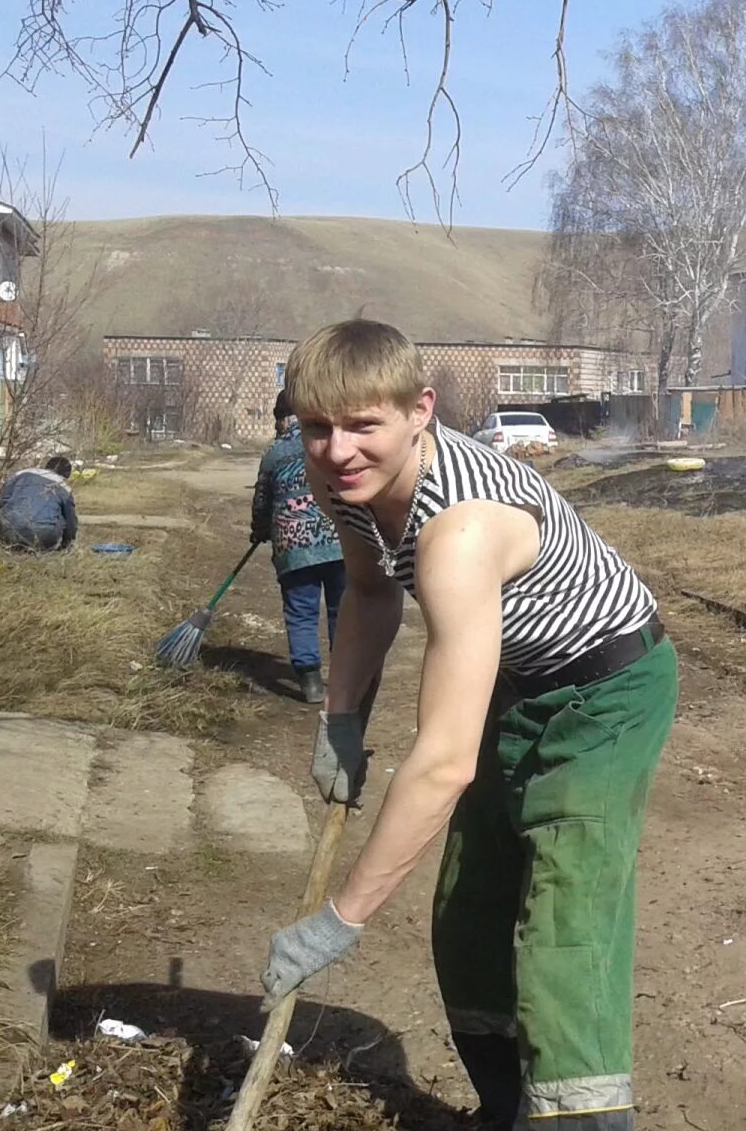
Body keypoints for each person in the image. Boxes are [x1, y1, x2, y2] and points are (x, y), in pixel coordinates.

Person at [256, 319, 675, 1130]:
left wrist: (339, 921)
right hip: (520, 680)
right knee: (468, 906)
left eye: (362, 426)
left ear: (421, 409)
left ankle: (582, 1121)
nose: (337, 450)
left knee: (564, 920)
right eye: (317, 427)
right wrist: (340, 720)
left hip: (612, 688)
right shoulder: (341, 481)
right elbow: (372, 592)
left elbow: (442, 765)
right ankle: (509, 1107)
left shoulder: (462, 531)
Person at [251, 390, 347, 703]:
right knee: (342, 609)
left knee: (301, 612)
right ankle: (347, 677)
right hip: (339, 543)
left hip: (292, 546)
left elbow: (262, 500)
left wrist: (259, 530)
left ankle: (310, 682)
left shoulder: (274, 452)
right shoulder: (331, 441)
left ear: (282, 419)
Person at [0, 455, 78, 552]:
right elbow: (71, 523)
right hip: (44, 537)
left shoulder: (21, 474)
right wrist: (66, 545)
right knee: (63, 515)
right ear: (66, 475)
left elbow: (2, 501)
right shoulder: (63, 487)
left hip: (10, 530)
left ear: (47, 467)